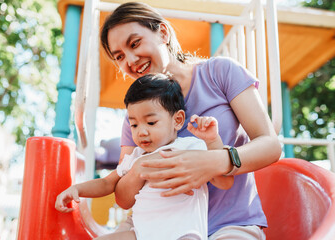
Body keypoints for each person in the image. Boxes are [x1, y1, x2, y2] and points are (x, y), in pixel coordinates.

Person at [100, 2, 282, 239]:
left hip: (227, 224)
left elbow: (270, 144)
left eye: (135, 44)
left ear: (163, 33)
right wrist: (136, 172)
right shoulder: (136, 116)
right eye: (120, 57)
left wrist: (215, 162)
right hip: (152, 228)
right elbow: (123, 197)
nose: (131, 60)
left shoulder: (220, 73)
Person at [55, 74, 233, 240]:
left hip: (183, 233)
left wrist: (212, 140)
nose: (141, 132)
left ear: (178, 120)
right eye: (134, 124)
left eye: (151, 122)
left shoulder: (191, 146)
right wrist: (78, 189)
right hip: (141, 233)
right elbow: (107, 183)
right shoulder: (136, 156)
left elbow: (224, 181)